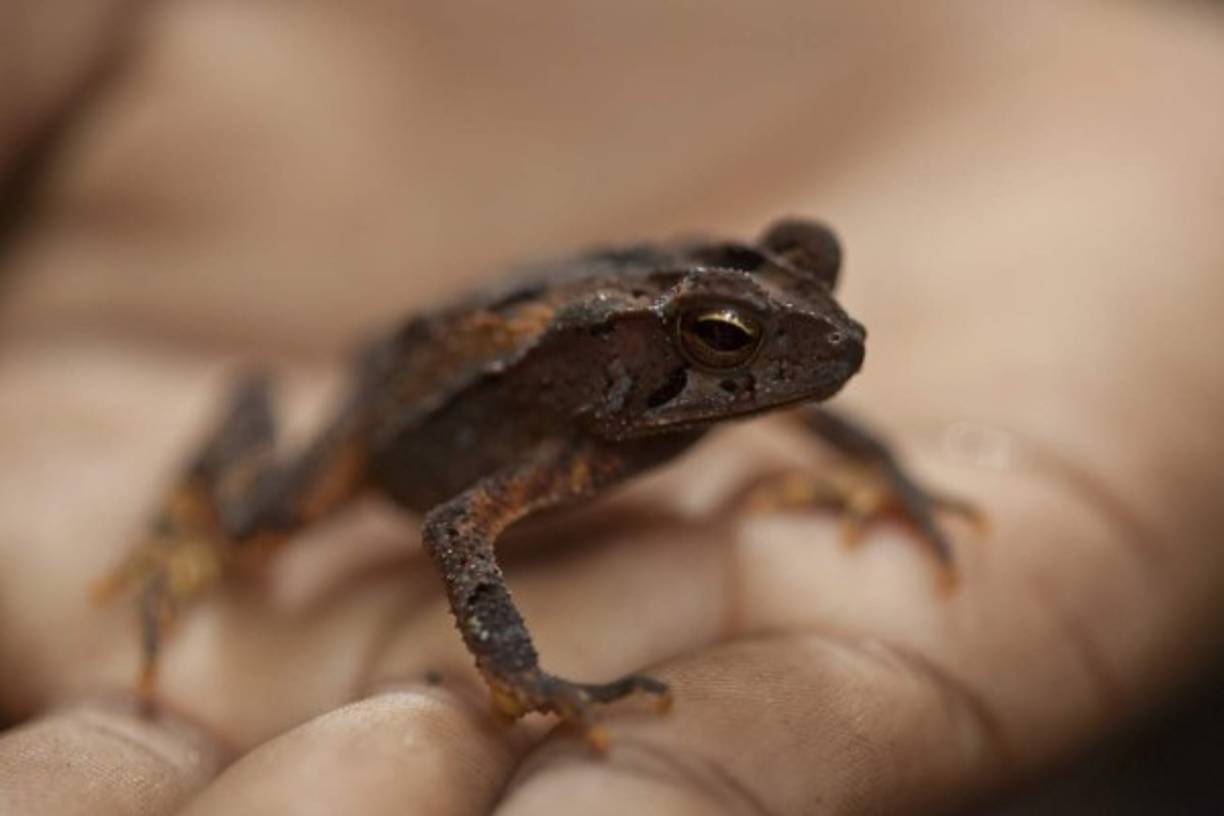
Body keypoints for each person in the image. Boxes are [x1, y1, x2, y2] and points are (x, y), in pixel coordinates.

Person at [1, 2, 1222, 813]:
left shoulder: (685, 403)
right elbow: (453, 524)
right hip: (406, 418)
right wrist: (521, 675)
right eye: (730, 341)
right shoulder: (569, 441)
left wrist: (881, 469)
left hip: (550, 347)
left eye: (810, 279)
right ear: (657, 356)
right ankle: (180, 514)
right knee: (262, 524)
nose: (830, 336)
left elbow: (793, 386)